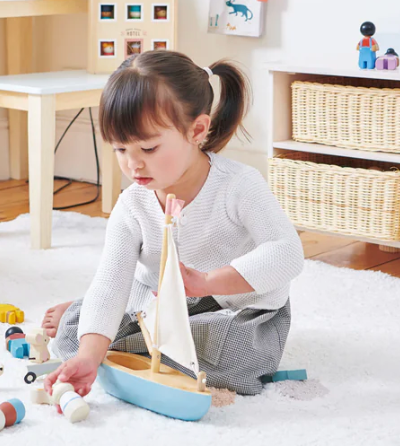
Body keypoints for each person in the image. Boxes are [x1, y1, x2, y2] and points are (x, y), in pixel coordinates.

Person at [40, 51, 304, 397]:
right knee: (77, 334)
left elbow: (287, 254)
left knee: (235, 360)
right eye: (121, 149)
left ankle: (135, 342)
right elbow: (111, 281)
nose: (133, 165)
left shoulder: (239, 185)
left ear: (196, 130)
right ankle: (110, 329)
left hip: (232, 308)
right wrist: (89, 357)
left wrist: (207, 282)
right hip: (154, 304)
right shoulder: (132, 205)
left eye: (148, 148)